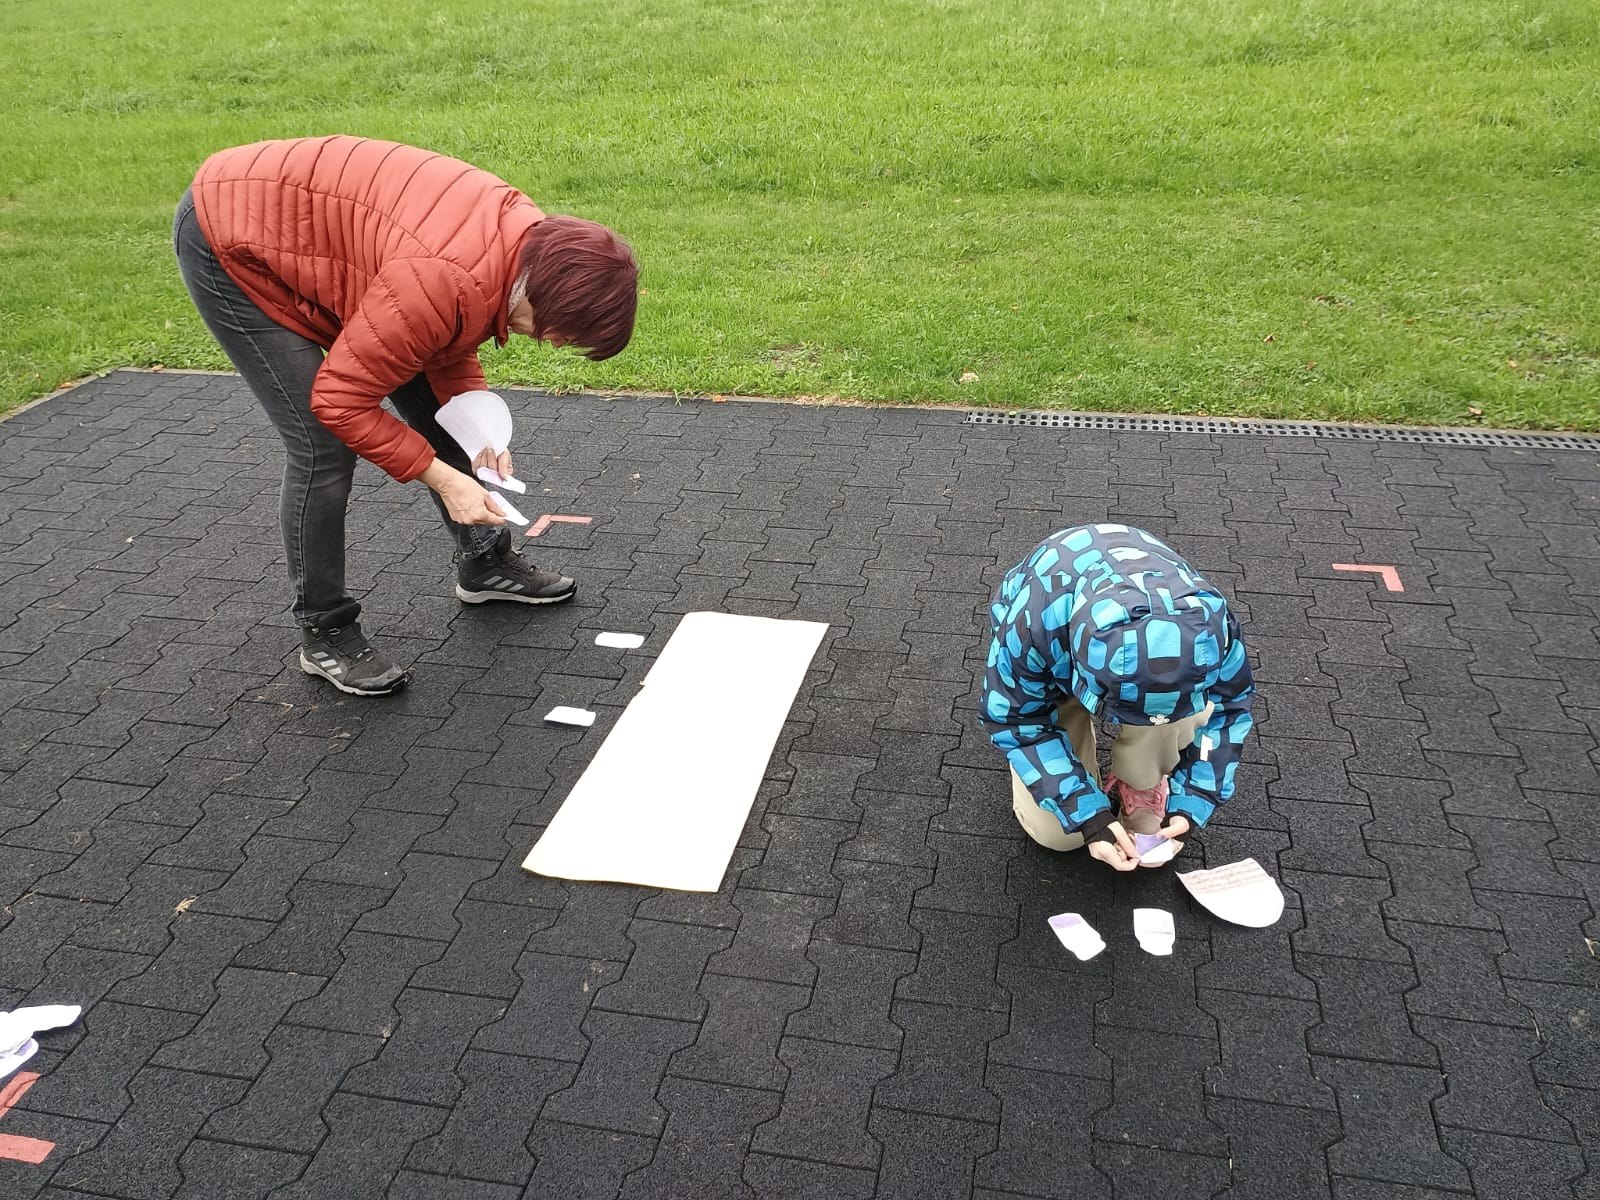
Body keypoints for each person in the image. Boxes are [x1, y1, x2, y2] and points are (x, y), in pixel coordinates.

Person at [173, 135, 639, 696]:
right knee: (322, 445)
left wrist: (479, 430)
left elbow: (449, 331)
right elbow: (342, 400)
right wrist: (444, 480)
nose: (557, 344)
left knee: (447, 419)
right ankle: (324, 629)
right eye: (564, 332)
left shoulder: (524, 253)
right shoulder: (442, 277)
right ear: (544, 293)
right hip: (233, 230)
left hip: (335, 237)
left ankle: (484, 562)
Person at [980, 524, 1255, 871]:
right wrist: (1088, 816)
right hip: (1049, 634)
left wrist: (1194, 798)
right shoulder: (1030, 629)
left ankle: (1142, 781)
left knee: (1176, 709)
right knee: (1059, 836)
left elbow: (1229, 710)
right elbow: (1017, 721)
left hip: (1101, 649)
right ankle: (1078, 742)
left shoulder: (1211, 626)